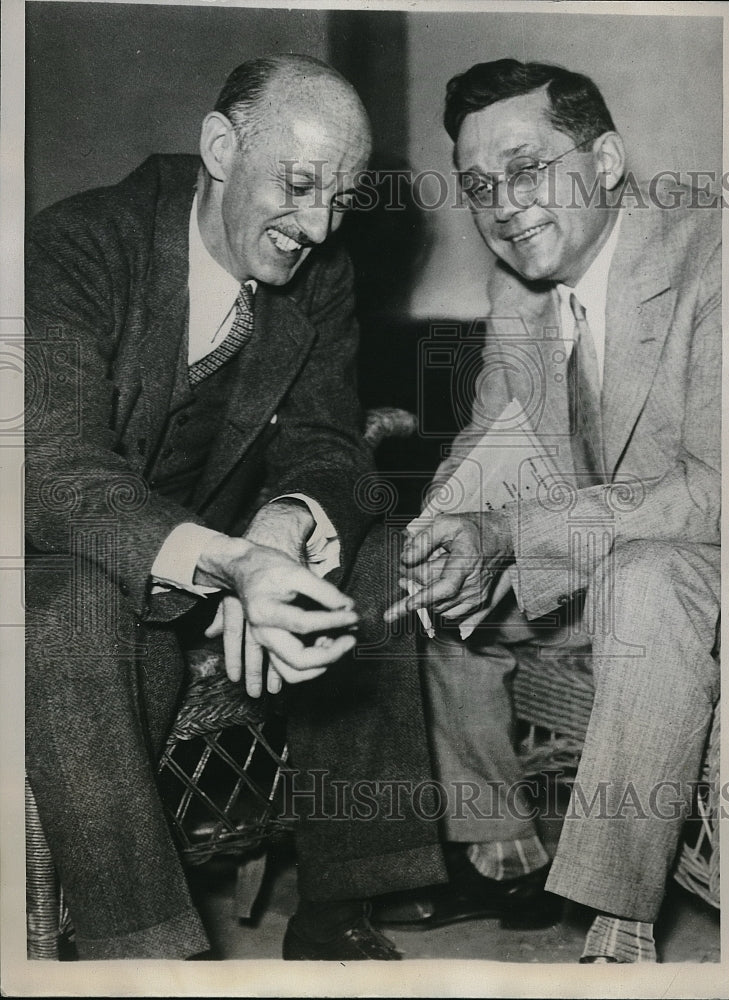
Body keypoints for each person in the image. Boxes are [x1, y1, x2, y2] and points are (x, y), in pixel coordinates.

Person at [25, 53, 445, 961]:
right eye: (298, 186)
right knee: (71, 606)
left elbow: (330, 443)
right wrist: (229, 562)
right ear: (220, 147)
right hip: (68, 546)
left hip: (223, 542)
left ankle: (344, 899)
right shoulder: (74, 247)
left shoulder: (318, 274)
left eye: (341, 199)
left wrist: (284, 524)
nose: (319, 226)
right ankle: (137, 947)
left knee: (373, 549)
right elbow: (47, 466)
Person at [381, 59, 720, 963]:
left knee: (646, 580)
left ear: (606, 160)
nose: (503, 204)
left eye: (526, 170)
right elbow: (499, 435)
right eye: (479, 186)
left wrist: (512, 537)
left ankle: (619, 920)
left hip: (702, 558)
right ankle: (504, 859)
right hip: (597, 558)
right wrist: (445, 532)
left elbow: (719, 487)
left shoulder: (718, 256)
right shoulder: (522, 286)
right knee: (442, 595)